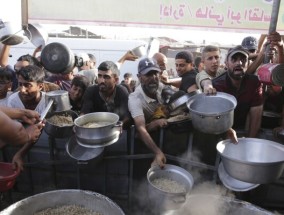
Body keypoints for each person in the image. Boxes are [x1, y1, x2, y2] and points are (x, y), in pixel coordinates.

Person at [212, 45, 263, 138]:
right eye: (234, 59)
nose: (239, 63)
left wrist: (250, 141)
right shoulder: (216, 85)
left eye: (243, 60)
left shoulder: (254, 82)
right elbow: (216, 118)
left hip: (244, 128)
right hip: (221, 131)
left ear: (248, 63)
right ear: (226, 64)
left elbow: (256, 113)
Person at [128, 57, 170, 168]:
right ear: (139, 77)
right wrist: (157, 152)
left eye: (156, 73)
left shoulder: (161, 87)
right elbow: (140, 129)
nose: (154, 78)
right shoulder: (135, 99)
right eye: (148, 75)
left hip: (165, 141)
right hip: (144, 148)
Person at [80, 61, 132, 129]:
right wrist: (79, 124)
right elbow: (84, 113)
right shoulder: (91, 91)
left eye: (106, 77)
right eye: (99, 76)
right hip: (95, 132)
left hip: (117, 131)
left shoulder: (122, 91)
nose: (102, 81)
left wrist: (121, 124)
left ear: (116, 80)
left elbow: (127, 116)